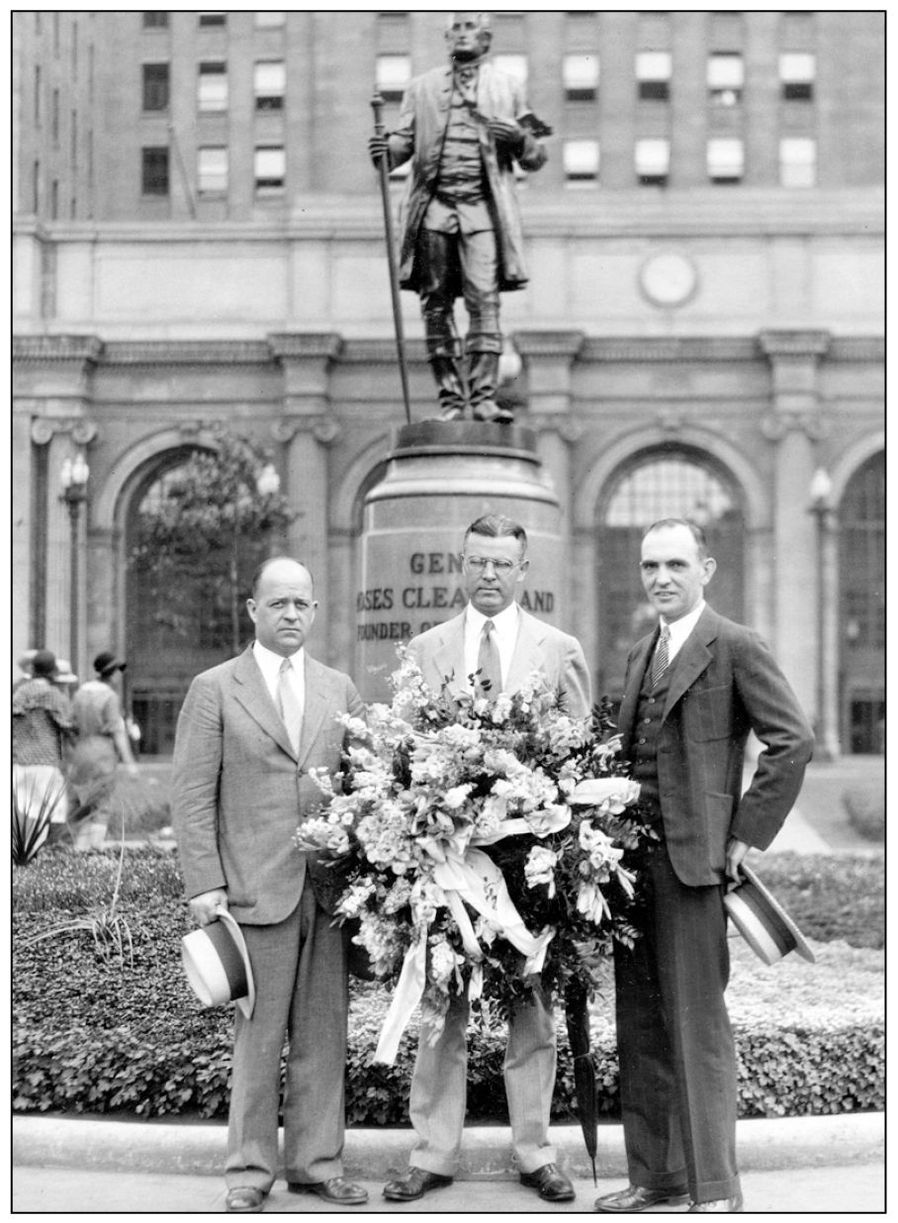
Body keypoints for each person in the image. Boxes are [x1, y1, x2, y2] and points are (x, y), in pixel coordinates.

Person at [594, 519, 814, 1215]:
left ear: (706, 569)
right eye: (651, 565)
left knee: (697, 1027)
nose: (661, 577)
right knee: (642, 1025)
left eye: (676, 564)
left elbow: (793, 740)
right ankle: (656, 1177)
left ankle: (715, 1188)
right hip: (630, 869)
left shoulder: (736, 644)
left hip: (694, 869)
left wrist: (747, 832)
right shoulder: (639, 652)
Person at [383, 513, 591, 1205]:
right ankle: (432, 1151)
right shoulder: (428, 647)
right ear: (461, 563)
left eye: (503, 563)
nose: (490, 574)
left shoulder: (558, 649)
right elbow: (405, 759)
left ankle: (535, 1150)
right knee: (442, 1004)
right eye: (478, 561)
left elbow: (580, 759)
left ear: (524, 568)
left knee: (531, 1004)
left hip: (529, 861)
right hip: (451, 858)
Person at [172, 556, 369, 1214]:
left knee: (323, 1036)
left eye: (301, 604)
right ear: (252, 609)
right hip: (254, 897)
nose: (291, 614)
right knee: (257, 1045)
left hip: (327, 893)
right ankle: (249, 1171)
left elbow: (365, 790)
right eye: (278, 602)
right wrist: (205, 883)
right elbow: (193, 796)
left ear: (314, 612)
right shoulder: (215, 688)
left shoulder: (339, 688)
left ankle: (316, 1163)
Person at [368, 11, 549, 424]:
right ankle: (451, 400)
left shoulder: (509, 87)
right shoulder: (422, 88)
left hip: (482, 210)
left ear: (486, 40)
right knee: (436, 306)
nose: (462, 35)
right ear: (447, 39)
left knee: (485, 302)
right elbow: (404, 143)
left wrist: (520, 138)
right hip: (434, 209)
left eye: (471, 29)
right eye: (456, 29)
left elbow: (537, 155)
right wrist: (385, 151)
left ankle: (483, 398)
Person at [69, 651, 140, 850]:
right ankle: (92, 850)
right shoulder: (110, 697)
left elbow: (71, 725)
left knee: (84, 801)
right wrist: (130, 763)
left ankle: (79, 849)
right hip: (102, 752)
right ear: (113, 673)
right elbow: (118, 732)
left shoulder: (80, 693)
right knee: (101, 803)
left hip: (81, 750)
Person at [12, 649, 73, 840]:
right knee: (56, 810)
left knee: (27, 811)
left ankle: (26, 856)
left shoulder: (19, 692)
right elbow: (69, 726)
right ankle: (51, 852)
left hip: (20, 762)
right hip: (46, 762)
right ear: (52, 672)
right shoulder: (53, 695)